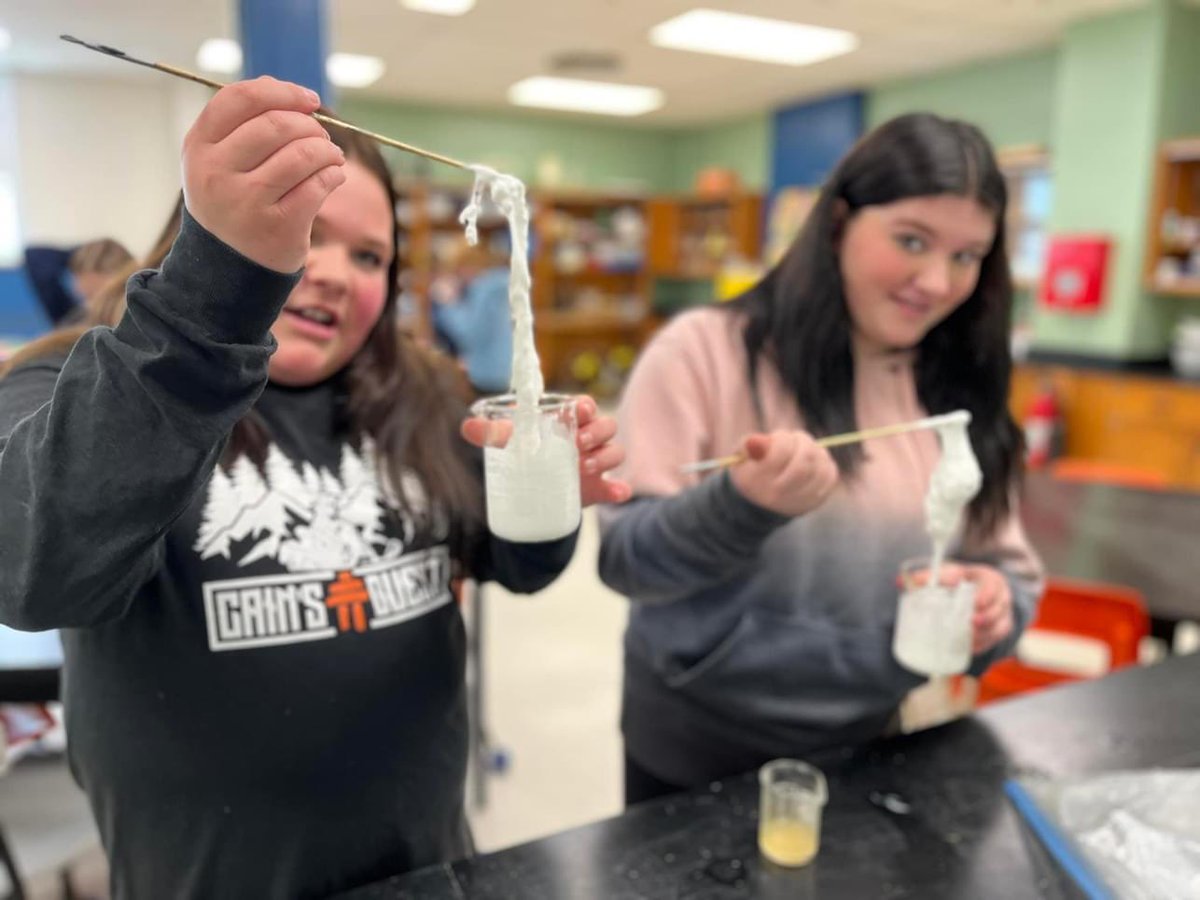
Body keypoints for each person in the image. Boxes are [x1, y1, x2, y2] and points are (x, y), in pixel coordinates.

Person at [0, 77, 629, 898]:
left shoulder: (424, 391)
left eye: (369, 255)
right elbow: (33, 570)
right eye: (310, 231)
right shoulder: (84, 381)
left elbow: (514, 564)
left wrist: (545, 505)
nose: (333, 272)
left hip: (425, 866)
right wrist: (215, 296)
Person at [597, 113, 1045, 804]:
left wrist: (992, 610)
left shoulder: (958, 389)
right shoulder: (703, 351)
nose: (936, 281)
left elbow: (1003, 569)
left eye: (966, 256)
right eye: (911, 240)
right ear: (838, 222)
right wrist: (741, 507)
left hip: (876, 749)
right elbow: (626, 560)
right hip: (693, 752)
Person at [430, 236, 513, 395]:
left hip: (486, 375)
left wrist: (449, 304)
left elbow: (469, 334)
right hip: (503, 370)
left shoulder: (483, 289)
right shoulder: (499, 285)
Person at [23, 237, 133, 325]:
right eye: (86, 297)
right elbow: (34, 255)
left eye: (93, 295)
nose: (90, 306)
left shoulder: (136, 317)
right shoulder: (78, 319)